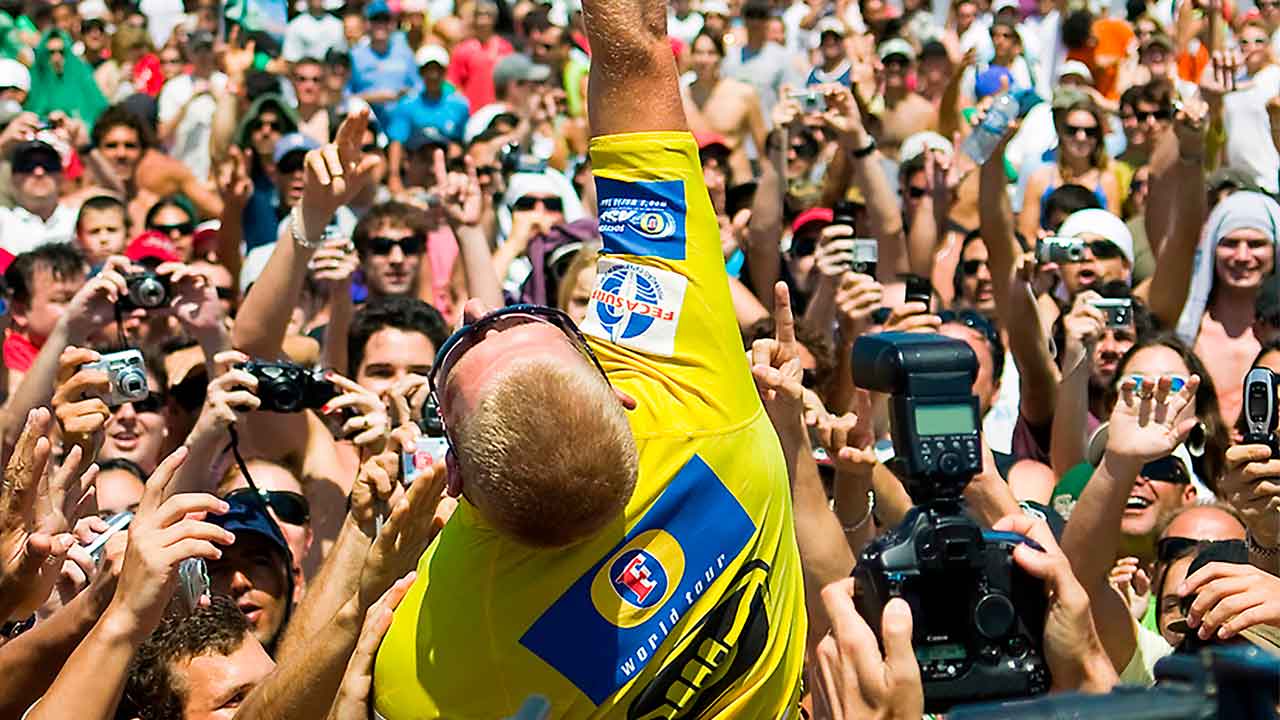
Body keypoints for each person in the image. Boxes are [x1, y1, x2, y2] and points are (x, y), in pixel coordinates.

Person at [371, 0, 805, 713]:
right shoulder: (693, 389)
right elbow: (634, 53)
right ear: (621, 396)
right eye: (516, 319)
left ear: (456, 477)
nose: (478, 310)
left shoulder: (424, 662)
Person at [682, 31, 767, 184]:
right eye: (699, 53)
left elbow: (763, 151)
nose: (704, 60)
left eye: (711, 53)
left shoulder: (743, 94)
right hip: (696, 186)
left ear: (721, 57)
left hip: (737, 186)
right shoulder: (680, 98)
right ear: (691, 57)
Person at [0, 140, 76, 253]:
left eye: (48, 165)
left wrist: (86, 148)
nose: (39, 172)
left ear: (61, 175)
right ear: (13, 178)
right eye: (27, 166)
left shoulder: (78, 219)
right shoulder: (4, 220)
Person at [283, 0, 347, 64]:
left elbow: (343, 54)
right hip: (306, 70)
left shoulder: (338, 25)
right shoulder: (295, 25)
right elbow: (290, 58)